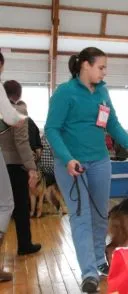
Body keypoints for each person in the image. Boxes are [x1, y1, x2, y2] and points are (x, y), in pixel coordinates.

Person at [45, 47, 128, 293]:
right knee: (81, 217)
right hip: (72, 165)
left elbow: (112, 123)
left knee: (100, 214)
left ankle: (100, 260)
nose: (104, 72)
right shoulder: (65, 93)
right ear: (85, 65)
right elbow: (52, 129)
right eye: (101, 67)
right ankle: (89, 272)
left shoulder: (102, 92)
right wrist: (67, 158)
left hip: (100, 161)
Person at [1, 80, 41, 256]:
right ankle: (24, 244)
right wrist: (31, 167)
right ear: (18, 94)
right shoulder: (19, 111)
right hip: (14, 165)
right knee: (21, 207)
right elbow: (22, 142)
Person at [0, 52, 27, 282]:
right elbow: (11, 120)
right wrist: (22, 117)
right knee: (10, 204)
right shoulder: (17, 108)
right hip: (13, 163)